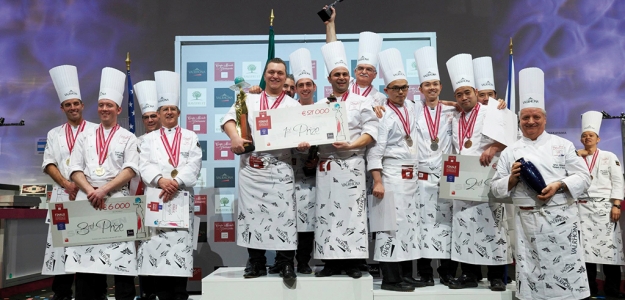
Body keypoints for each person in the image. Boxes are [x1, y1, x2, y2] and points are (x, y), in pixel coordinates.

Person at [491, 67, 591, 300]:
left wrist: (559, 185)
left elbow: (584, 177)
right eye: (525, 117)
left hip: (561, 220)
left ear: (545, 119)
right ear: (519, 120)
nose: (531, 121)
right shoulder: (510, 151)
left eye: (536, 116)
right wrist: (512, 179)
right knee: (533, 280)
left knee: (566, 278)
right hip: (527, 224)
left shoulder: (562, 145)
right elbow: (494, 188)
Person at [221, 58, 302, 282]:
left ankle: (286, 263)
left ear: (285, 78)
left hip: (280, 166)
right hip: (252, 168)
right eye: (271, 72)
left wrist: (303, 143)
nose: (275, 76)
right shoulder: (249, 98)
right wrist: (235, 137)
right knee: (252, 216)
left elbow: (301, 135)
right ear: (265, 74)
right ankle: (256, 262)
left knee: (284, 216)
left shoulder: (292, 106)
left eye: (280, 73)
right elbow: (228, 120)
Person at [67, 67, 139, 300]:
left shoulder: (128, 137)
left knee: (121, 261)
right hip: (87, 200)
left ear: (118, 109)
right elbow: (74, 169)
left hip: (116, 199)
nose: (105, 109)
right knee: (87, 262)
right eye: (101, 105)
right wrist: (90, 190)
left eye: (109, 105)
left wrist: (105, 189)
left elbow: (130, 169)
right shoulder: (84, 136)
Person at [446, 53, 511, 291]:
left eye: (468, 92)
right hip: (463, 178)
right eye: (459, 94)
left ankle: (496, 276)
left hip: (487, 176)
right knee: (465, 226)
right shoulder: (455, 117)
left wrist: (494, 147)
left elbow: (512, 138)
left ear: (476, 92)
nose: (464, 97)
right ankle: (470, 275)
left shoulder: (493, 111)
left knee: (493, 226)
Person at [313, 41, 378, 278]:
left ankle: (353, 262)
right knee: (327, 212)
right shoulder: (320, 106)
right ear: (329, 78)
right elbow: (310, 135)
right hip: (327, 165)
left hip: (352, 164)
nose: (341, 78)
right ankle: (330, 262)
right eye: (336, 74)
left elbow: (371, 133)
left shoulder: (363, 102)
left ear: (349, 78)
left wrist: (351, 144)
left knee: (353, 213)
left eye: (344, 74)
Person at [137, 71, 202, 300]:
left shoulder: (190, 136)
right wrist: (161, 180)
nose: (169, 112)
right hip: (157, 199)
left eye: (172, 109)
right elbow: (143, 165)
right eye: (165, 109)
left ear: (178, 112)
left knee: (181, 251)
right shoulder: (147, 140)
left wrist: (175, 182)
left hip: (181, 199)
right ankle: (161, 294)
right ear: (159, 113)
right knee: (157, 250)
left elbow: (195, 163)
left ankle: (180, 294)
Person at [367, 48, 423, 292]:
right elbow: (375, 152)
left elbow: (437, 105)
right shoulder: (382, 114)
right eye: (395, 88)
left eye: (404, 87)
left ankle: (403, 274)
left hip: (411, 177)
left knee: (408, 227)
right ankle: (390, 279)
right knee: (390, 226)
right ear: (386, 91)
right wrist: (378, 181)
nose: (401, 92)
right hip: (391, 175)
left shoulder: (413, 107)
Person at [42, 65, 98, 300]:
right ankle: (62, 293)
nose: (73, 107)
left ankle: (93, 294)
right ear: (62, 107)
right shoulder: (54, 134)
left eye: (76, 103)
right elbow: (48, 163)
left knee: (91, 244)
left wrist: (84, 186)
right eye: (68, 104)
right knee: (60, 246)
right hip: (64, 196)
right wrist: (65, 183)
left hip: (87, 196)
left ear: (83, 105)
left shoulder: (96, 130)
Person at [410, 47, 459, 287]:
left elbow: (477, 106)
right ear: (420, 89)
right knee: (421, 226)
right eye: (427, 84)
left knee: (447, 224)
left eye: (435, 84)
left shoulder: (453, 111)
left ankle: (448, 272)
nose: (432, 88)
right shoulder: (412, 109)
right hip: (420, 178)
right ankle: (426, 273)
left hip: (446, 178)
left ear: (440, 87)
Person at [576, 111, 625, 298]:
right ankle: (589, 289)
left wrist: (616, 205)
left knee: (610, 250)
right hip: (582, 208)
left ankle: (612, 289)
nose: (587, 138)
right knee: (584, 252)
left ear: (598, 138)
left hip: (605, 208)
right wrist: (575, 155)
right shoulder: (576, 156)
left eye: (591, 135)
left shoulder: (609, 156)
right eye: (584, 135)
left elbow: (618, 182)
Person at [324, 7, 386, 107]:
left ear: (375, 74)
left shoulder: (380, 98)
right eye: (360, 68)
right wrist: (330, 25)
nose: (364, 72)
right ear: (355, 71)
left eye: (369, 69)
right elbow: (333, 49)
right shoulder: (346, 85)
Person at [129, 80, 160, 197]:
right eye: (146, 117)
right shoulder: (136, 142)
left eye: (153, 116)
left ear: (159, 116)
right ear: (142, 120)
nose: (150, 120)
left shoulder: (170, 138)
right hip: (146, 192)